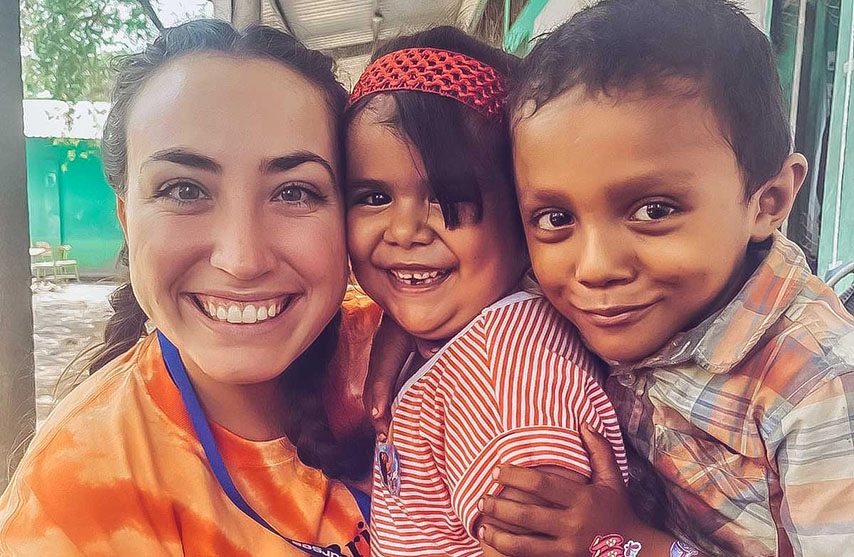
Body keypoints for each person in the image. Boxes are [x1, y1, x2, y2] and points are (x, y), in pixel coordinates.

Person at [471, 0, 854, 555]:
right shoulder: (598, 296)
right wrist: (406, 334)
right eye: (556, 219)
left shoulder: (817, 386)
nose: (595, 267)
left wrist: (628, 543)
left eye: (653, 210)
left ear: (768, 201)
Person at [0, 20, 375, 556]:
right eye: (183, 189)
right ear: (128, 220)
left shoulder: (419, 354)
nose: (242, 259)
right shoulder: (77, 498)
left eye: (294, 192)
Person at [344, 27, 628, 557]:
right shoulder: (468, 341)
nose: (404, 231)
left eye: (449, 196)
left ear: (523, 220)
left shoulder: (503, 380)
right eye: (374, 196)